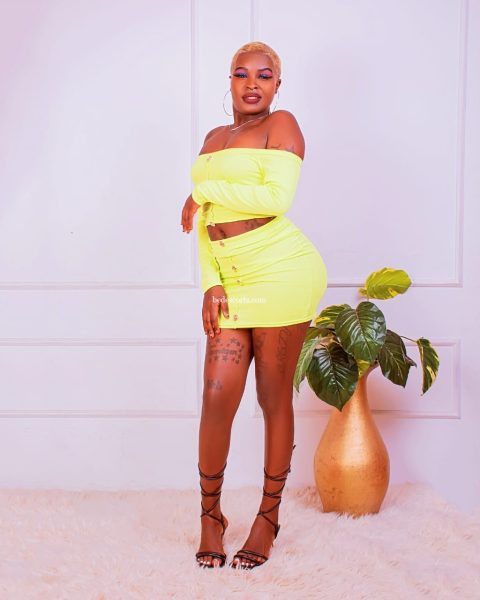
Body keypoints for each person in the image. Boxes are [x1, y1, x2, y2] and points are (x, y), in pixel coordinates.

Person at [181, 41, 328, 570]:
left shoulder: (282, 125)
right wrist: (210, 283)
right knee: (217, 394)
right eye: (241, 74)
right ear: (229, 80)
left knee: (271, 397)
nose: (252, 84)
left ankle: (267, 519)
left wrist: (204, 189)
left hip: (283, 273)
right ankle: (210, 517)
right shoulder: (213, 138)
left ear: (277, 84)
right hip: (231, 281)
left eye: (264, 76)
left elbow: (275, 200)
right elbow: (205, 224)